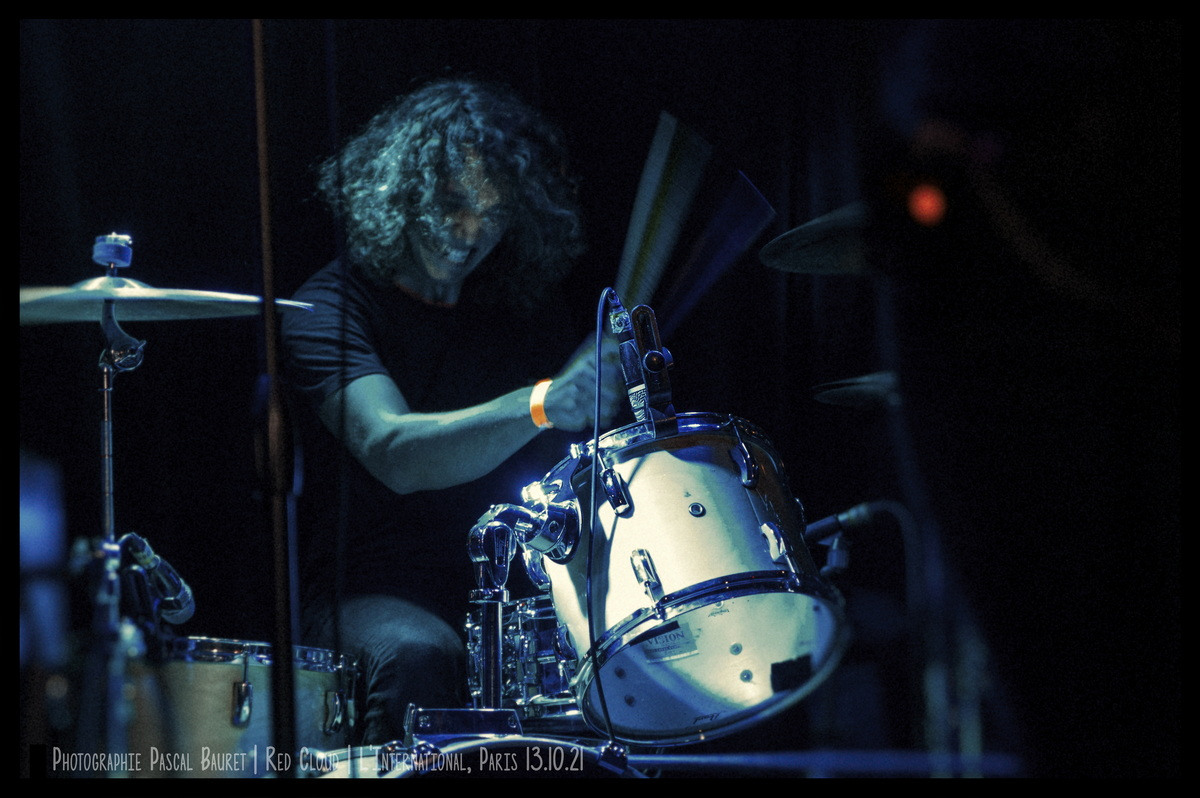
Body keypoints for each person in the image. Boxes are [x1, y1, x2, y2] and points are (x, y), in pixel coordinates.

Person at [280, 77, 624, 747]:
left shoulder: (522, 311)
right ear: (400, 191)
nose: (470, 233)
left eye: (493, 213)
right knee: (418, 656)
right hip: (370, 588)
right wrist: (542, 402)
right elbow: (394, 451)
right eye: (453, 203)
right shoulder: (329, 307)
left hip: (515, 584)